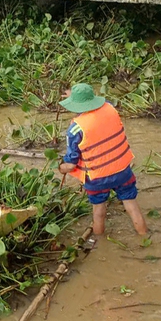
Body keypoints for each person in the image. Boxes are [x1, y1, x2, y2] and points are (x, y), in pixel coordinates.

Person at [58, 84, 147, 237]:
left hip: (97, 177)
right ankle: (144, 236)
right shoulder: (110, 108)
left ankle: (100, 243)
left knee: (98, 212)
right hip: (122, 171)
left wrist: (61, 168)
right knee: (131, 205)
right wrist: (78, 95)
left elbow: (72, 163)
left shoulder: (75, 129)